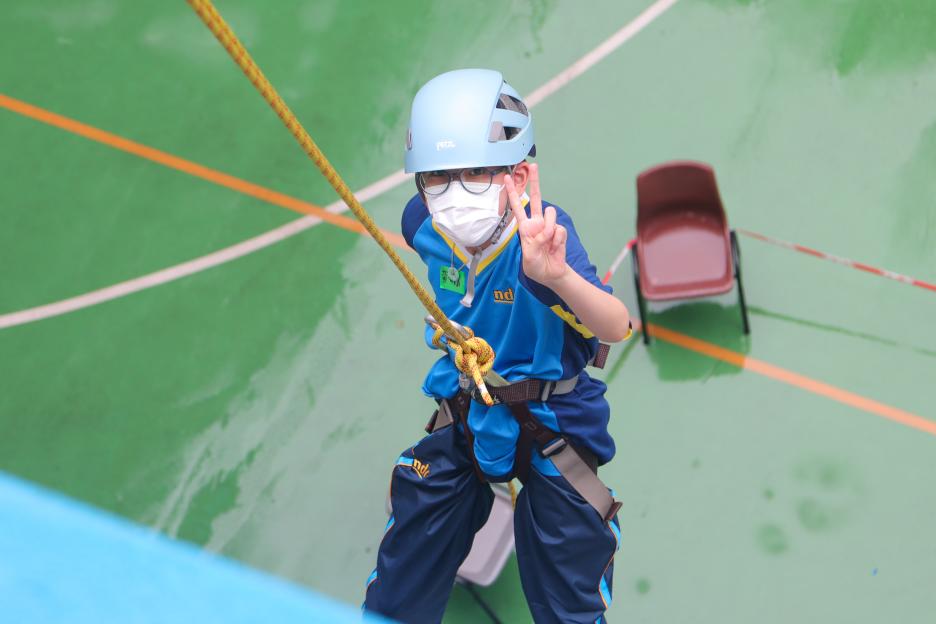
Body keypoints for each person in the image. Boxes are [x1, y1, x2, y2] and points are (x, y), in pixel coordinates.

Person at [363, 68, 631, 624]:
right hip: (469, 404)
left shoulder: (543, 242)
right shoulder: (422, 223)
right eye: (437, 176)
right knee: (399, 581)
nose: (454, 192)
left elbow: (614, 325)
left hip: (551, 419)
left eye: (476, 172)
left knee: (570, 600)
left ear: (519, 174)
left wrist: (557, 277)